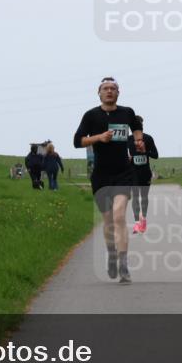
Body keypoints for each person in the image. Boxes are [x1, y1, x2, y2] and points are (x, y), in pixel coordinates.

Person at [74, 77, 144, 284]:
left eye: (113, 88)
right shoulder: (91, 115)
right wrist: (99, 138)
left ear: (118, 93)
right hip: (101, 175)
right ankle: (112, 254)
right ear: (99, 93)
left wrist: (139, 140)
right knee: (108, 221)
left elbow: (136, 126)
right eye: (105, 88)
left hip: (123, 172)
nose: (109, 91)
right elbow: (77, 141)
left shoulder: (127, 112)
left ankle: (123, 264)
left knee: (119, 216)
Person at [128, 115, 159, 233]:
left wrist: (146, 151)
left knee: (144, 197)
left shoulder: (148, 138)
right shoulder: (128, 140)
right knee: (135, 197)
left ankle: (143, 220)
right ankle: (137, 223)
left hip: (145, 173)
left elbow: (156, 155)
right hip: (133, 173)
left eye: (140, 125)